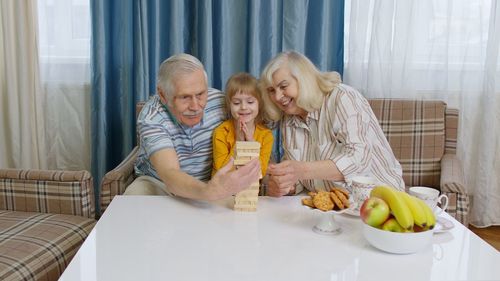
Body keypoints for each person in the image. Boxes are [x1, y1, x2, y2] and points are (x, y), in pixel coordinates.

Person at [259, 51, 405, 197]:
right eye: (272, 90)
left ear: (304, 80)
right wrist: (286, 185)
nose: (277, 97)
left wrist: (302, 170)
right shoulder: (289, 118)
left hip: (378, 198)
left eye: (283, 86)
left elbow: (359, 161)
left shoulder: (343, 98)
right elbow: (298, 176)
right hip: (327, 204)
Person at [125, 53, 261, 201]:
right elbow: (170, 173)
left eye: (201, 94)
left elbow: (261, 124)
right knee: (132, 202)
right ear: (163, 95)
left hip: (211, 182)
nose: (196, 107)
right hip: (159, 184)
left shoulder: (221, 102)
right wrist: (209, 192)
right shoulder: (151, 117)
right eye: (185, 97)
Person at [212, 72, 274, 180]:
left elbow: (261, 172)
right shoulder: (221, 132)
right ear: (229, 105)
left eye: (250, 102)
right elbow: (222, 170)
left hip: (250, 193)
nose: (244, 107)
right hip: (223, 192)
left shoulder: (266, 136)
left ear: (259, 104)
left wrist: (251, 143)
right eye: (236, 103)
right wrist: (239, 142)